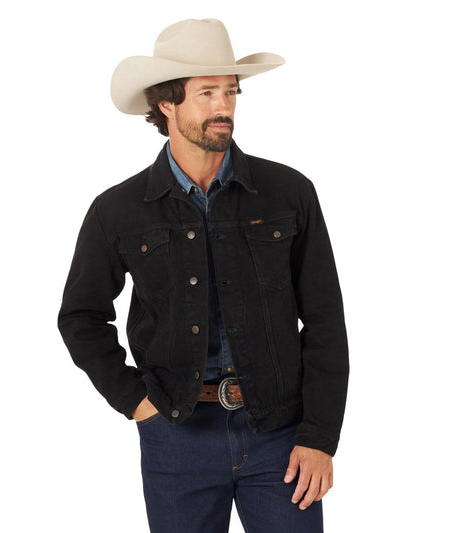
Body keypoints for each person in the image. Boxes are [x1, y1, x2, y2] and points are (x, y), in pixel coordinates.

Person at [57, 18, 349, 533]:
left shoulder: (289, 193)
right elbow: (81, 317)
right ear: (167, 104)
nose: (224, 107)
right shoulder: (118, 210)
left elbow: (325, 320)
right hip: (176, 436)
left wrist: (320, 436)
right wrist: (135, 402)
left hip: (280, 435)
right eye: (207, 93)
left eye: (230, 91)